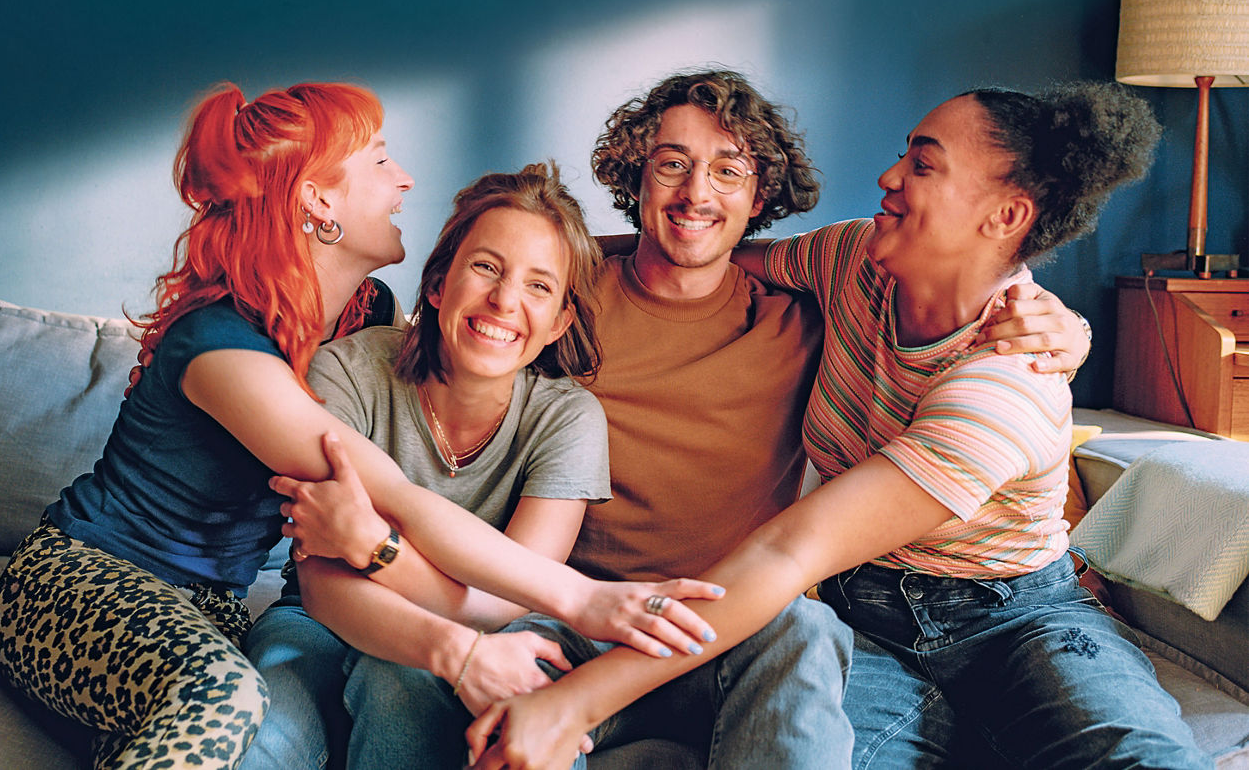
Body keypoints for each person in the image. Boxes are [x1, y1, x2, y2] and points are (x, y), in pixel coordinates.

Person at [296, 70, 1093, 769]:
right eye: (670, 165)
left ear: (761, 196)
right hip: (564, 610)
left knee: (809, 635)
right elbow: (472, 312)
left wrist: (1067, 325)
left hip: (729, 627)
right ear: (635, 180)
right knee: (395, 673)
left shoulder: (810, 309)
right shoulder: (557, 304)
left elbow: (797, 549)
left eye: (727, 171)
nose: (696, 194)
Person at [466, 83, 1210, 770]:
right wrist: (557, 260)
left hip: (1011, 619)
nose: (888, 176)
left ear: (1006, 215)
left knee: (1139, 755)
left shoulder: (1008, 380)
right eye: (903, 154)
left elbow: (793, 549)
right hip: (862, 618)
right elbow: (712, 250)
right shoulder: (854, 260)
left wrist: (572, 705)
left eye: (921, 164)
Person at [0, 83, 719, 770]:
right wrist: (582, 600)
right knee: (226, 697)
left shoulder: (366, 313)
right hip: (86, 577)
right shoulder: (221, 348)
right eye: (378, 162)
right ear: (317, 203)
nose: (403, 180)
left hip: (210, 609)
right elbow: (393, 492)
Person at [241, 162, 652, 769]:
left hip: (493, 637)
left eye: (539, 286)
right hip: (325, 623)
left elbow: (509, 600)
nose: (505, 301)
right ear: (438, 285)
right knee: (263, 739)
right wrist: (433, 626)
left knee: (426, 687)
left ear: (561, 320)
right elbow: (325, 586)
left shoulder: (568, 419)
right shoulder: (345, 373)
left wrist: (374, 544)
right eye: (486, 267)